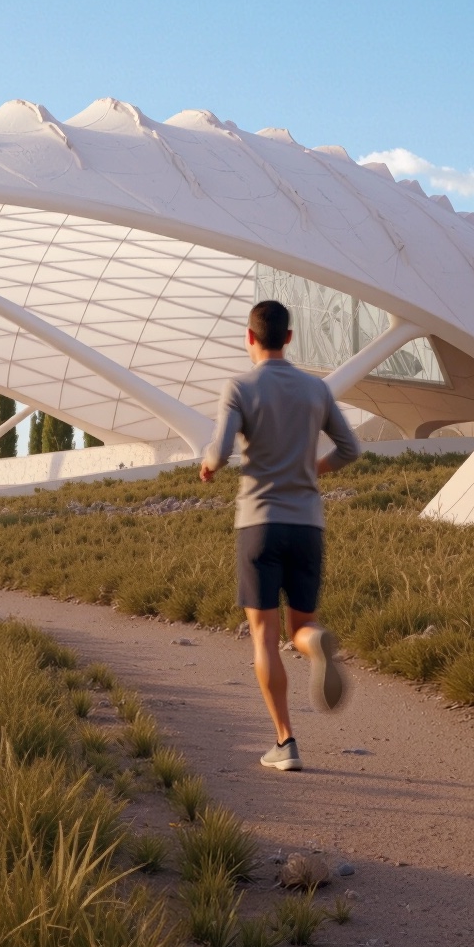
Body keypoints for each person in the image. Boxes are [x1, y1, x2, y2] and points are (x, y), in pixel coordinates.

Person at [201, 297, 364, 772]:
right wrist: (315, 466)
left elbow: (222, 449)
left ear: (249, 337)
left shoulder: (240, 386)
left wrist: (209, 465)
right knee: (300, 627)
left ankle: (285, 741)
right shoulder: (316, 390)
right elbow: (351, 449)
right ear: (289, 338)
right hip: (308, 524)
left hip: (259, 523)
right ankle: (315, 644)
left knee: (264, 637)